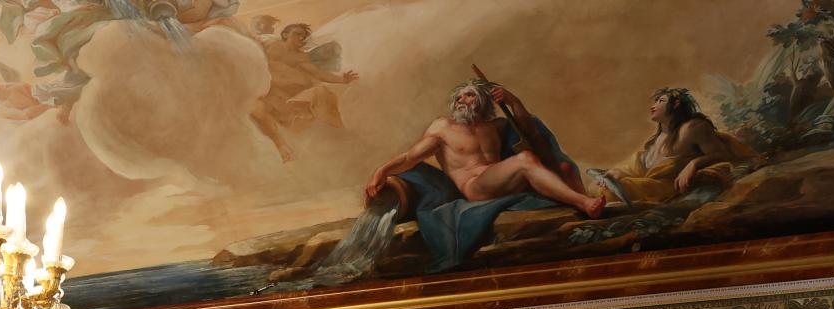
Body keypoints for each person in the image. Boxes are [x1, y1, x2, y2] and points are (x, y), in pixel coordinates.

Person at [366, 80, 602, 216]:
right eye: (458, 97)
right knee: (526, 159)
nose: (461, 100)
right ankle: (583, 203)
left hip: (503, 182)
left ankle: (582, 202)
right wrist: (382, 170)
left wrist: (512, 100)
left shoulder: (495, 127)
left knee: (564, 169)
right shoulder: (443, 128)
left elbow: (529, 128)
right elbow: (410, 157)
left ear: (481, 100)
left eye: (468, 95)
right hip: (475, 187)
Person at [591, 88, 753, 205]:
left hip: (667, 188)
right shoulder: (657, 138)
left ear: (676, 104)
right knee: (597, 186)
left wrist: (693, 165)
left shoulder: (692, 128)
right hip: (648, 184)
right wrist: (618, 172)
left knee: (607, 193)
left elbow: (722, 154)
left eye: (661, 101)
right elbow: (639, 166)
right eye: (655, 101)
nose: (653, 106)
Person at [252, 23, 359, 162]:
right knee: (258, 110)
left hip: (279, 94)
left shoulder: (300, 56)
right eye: (297, 34)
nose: (301, 38)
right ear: (285, 35)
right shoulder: (271, 44)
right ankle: (281, 147)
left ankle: (333, 137)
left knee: (320, 93)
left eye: (303, 36)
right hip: (262, 86)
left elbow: (318, 73)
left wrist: (341, 80)